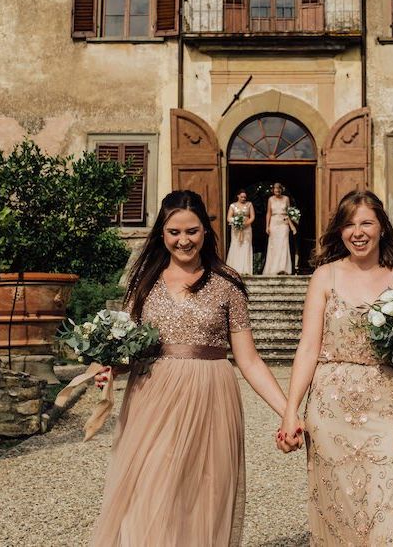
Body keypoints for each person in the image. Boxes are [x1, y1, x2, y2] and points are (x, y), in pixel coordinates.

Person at [90, 190, 291, 547]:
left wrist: (288, 412)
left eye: (192, 231)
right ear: (162, 234)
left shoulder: (227, 283)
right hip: (152, 396)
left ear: (206, 231)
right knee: (150, 487)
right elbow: (126, 348)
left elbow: (249, 359)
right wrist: (109, 368)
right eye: (174, 232)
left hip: (211, 394)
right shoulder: (144, 282)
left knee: (202, 492)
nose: (184, 240)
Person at [277, 190, 393, 546]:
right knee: (337, 508)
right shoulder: (325, 277)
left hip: (388, 403)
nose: (357, 232)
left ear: (382, 229)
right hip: (331, 407)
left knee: (389, 507)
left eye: (366, 223)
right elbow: (309, 346)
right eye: (349, 224)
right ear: (340, 232)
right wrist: (290, 411)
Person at [262, 182, 295, 275]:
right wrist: (267, 226)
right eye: (275, 189)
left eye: (279, 188)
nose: (277, 190)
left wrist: (291, 220)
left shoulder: (286, 199)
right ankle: (273, 268)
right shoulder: (270, 199)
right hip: (274, 222)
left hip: (284, 222)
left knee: (284, 244)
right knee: (274, 245)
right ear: (273, 190)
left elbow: (289, 212)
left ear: (281, 189)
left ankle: (283, 268)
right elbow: (268, 212)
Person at [225, 188, 255, 275]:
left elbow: (252, 216)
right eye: (242, 197)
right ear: (238, 196)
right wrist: (236, 222)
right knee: (236, 245)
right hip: (236, 229)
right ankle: (235, 269)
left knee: (246, 245)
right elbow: (229, 217)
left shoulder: (249, 204)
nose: (243, 199)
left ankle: (245, 270)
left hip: (247, 228)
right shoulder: (232, 206)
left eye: (245, 197)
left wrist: (245, 223)